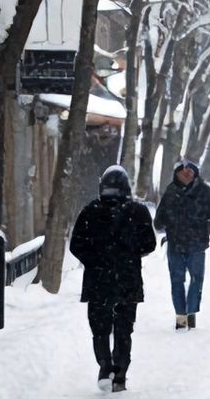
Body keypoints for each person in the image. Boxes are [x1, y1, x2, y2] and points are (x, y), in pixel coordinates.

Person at [70, 166, 156, 393]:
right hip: (127, 280)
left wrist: (96, 260)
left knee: (99, 328)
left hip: (98, 281)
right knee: (123, 328)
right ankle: (120, 373)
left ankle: (105, 365)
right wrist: (129, 253)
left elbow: (76, 245)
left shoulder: (91, 211)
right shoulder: (137, 212)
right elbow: (150, 243)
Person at [154, 159, 210, 331]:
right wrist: (166, 226)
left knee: (196, 279)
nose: (186, 175)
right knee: (177, 280)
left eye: (190, 172)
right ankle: (181, 316)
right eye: (183, 172)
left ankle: (191, 313)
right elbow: (159, 220)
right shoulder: (171, 191)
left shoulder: (204, 191)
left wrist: (203, 232)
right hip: (175, 243)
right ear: (176, 174)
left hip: (197, 244)